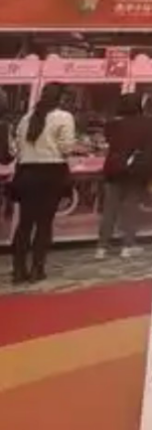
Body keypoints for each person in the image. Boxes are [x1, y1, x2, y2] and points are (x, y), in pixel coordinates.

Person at [11, 83, 76, 283]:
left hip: (26, 172)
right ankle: (37, 269)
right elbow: (66, 148)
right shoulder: (64, 117)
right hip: (51, 173)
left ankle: (18, 270)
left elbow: (17, 146)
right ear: (61, 98)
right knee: (44, 224)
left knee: (25, 223)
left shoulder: (26, 118)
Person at [97, 92, 152, 259]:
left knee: (109, 209)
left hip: (113, 169)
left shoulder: (111, 125)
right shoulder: (147, 124)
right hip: (134, 169)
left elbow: (109, 143)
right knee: (131, 207)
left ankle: (102, 247)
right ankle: (128, 245)